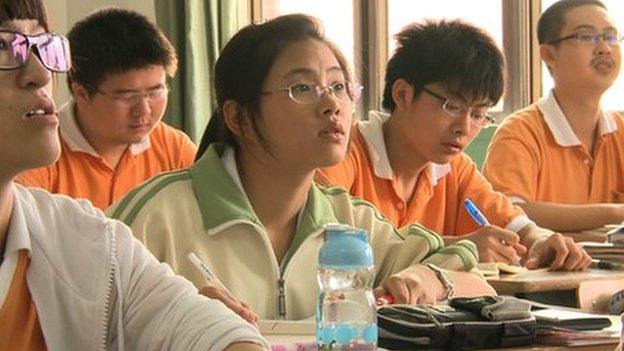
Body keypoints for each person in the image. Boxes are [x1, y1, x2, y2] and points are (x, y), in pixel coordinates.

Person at [109, 14, 495, 321]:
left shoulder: (349, 222)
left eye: (339, 86)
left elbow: (479, 285)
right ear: (239, 117)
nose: (332, 106)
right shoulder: (156, 216)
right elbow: (84, 326)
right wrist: (172, 319)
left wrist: (430, 278)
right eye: (303, 88)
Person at [0, 1, 268, 349]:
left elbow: (198, 324)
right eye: (4, 47)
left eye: (42, 46)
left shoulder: (86, 241)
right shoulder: (46, 179)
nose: (41, 73)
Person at [316, 19, 591, 270]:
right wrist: (460, 249)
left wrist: (541, 241)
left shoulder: (454, 169)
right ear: (402, 94)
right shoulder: (342, 154)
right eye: (452, 106)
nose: (465, 127)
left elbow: (518, 226)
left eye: (478, 114)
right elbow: (325, 246)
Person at [16, 7, 197, 210]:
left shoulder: (174, 150)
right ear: (82, 93)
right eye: (128, 97)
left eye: (155, 92)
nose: (144, 111)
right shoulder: (40, 153)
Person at [483, 0, 623, 232]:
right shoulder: (519, 132)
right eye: (586, 37)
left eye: (610, 37)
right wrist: (614, 213)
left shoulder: (621, 132)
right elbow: (508, 213)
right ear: (548, 54)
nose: (604, 48)